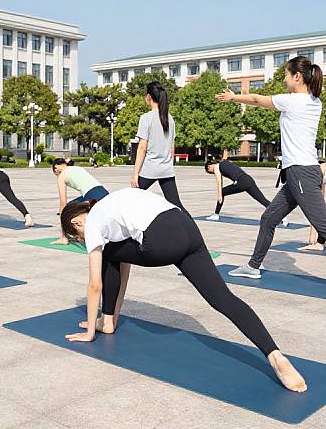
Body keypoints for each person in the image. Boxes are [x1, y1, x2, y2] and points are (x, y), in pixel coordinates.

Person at [59, 188, 307, 393]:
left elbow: (95, 284)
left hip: (161, 240)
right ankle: (276, 357)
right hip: (187, 229)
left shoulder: (92, 223)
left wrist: (90, 331)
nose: (82, 240)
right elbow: (124, 265)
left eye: (77, 237)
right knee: (223, 299)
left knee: (107, 254)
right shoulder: (112, 201)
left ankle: (106, 323)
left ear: (76, 222)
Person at [217, 56, 326, 300]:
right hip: (303, 173)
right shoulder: (314, 102)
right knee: (269, 218)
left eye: (286, 74)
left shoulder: (293, 101)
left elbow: (255, 99)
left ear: (297, 77)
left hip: (301, 173)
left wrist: (233, 97)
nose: (284, 79)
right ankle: (253, 267)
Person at [130, 81, 188, 213]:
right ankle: (192, 229)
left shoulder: (146, 118)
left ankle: (129, 232)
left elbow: (142, 148)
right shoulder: (169, 118)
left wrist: (135, 174)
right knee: (176, 204)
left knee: (131, 198)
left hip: (150, 169)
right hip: (166, 170)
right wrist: (168, 164)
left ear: (149, 97)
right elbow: (172, 147)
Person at [204, 158, 288, 227]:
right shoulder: (225, 162)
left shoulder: (216, 167)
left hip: (241, 182)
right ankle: (283, 218)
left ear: (209, 166)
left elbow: (219, 181)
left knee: (222, 192)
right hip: (249, 180)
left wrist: (219, 195)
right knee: (263, 200)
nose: (212, 172)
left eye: (209, 171)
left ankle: (216, 215)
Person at [51, 158, 109, 244]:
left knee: (67, 210)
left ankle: (65, 238)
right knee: (73, 206)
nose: (57, 175)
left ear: (56, 167)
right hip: (104, 192)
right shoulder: (77, 168)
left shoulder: (61, 176)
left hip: (92, 195)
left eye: (56, 174)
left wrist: (63, 215)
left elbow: (63, 203)